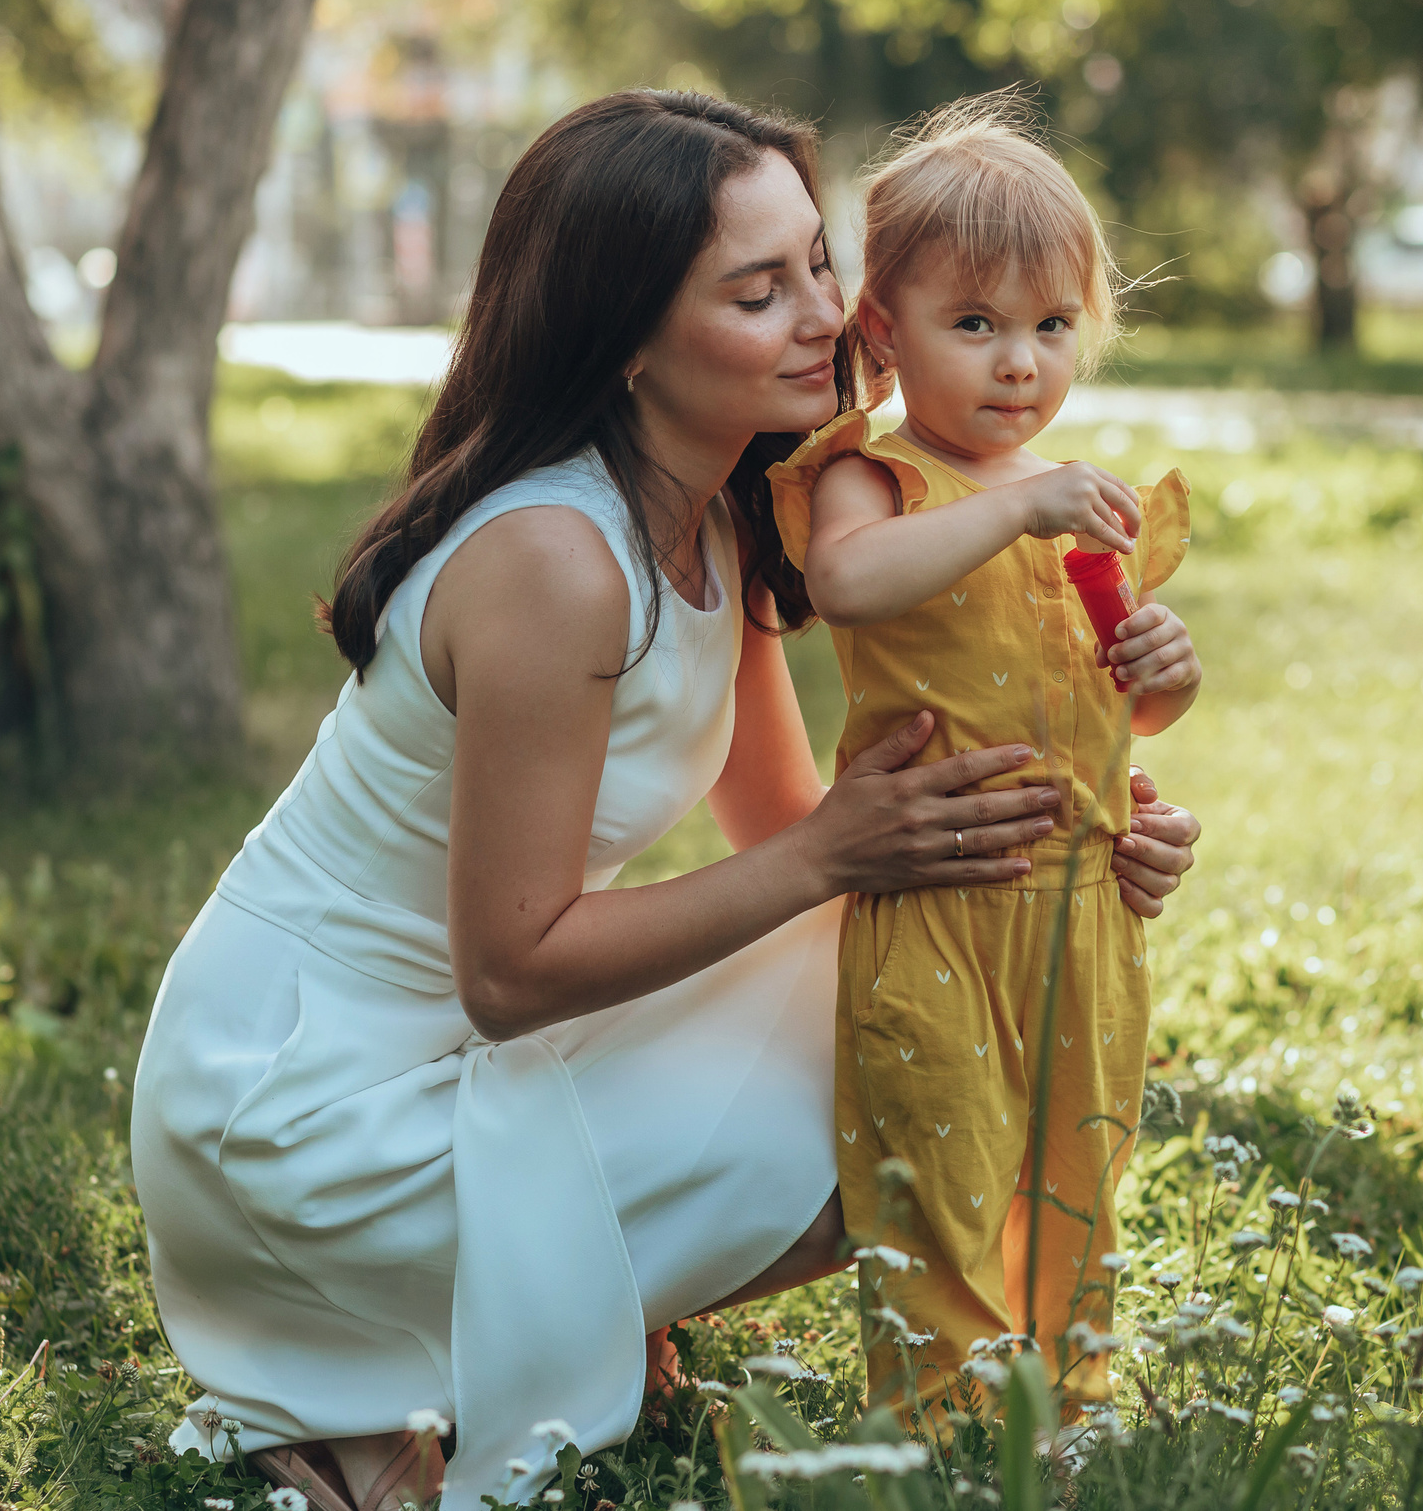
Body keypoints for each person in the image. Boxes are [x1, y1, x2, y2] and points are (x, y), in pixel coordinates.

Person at [129, 90, 1202, 1511]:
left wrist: (1080, 838)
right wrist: (835, 854)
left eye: (818, 264)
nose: (828, 315)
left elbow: (793, 831)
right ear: (627, 341)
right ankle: (369, 1355)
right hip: (307, 1108)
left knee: (921, 1017)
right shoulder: (558, 561)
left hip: (458, 1048)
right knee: (886, 1101)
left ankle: (561, 1299)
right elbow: (516, 971)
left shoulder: (733, 507)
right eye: (759, 293)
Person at [767, 92, 1200, 1424]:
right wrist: (1018, 503)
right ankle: (947, 1431)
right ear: (885, 334)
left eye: (1051, 326)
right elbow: (849, 583)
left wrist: (1163, 681)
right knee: (942, 1179)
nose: (1021, 365)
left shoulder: (1072, 506)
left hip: (1079, 905)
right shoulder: (876, 480)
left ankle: (1064, 1416)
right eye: (977, 325)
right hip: (936, 910)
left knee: (1077, 1171)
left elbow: (1099, 699)